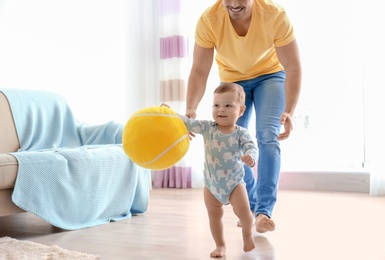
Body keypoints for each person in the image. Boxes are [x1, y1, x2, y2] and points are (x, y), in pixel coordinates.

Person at [185, 0, 302, 233]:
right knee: (232, 141)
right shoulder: (210, 20)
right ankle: (250, 205)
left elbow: (293, 66)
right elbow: (199, 70)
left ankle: (264, 211)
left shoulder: (274, 15)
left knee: (268, 136)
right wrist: (191, 108)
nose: (235, 3)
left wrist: (289, 110)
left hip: (270, 75)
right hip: (232, 80)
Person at [164, 83, 258, 258]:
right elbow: (188, 123)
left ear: (241, 110)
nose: (221, 110)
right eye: (216, 105)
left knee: (245, 214)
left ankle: (247, 234)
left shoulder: (241, 133)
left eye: (228, 105)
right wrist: (169, 113)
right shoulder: (208, 128)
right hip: (211, 184)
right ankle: (220, 245)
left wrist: (250, 157)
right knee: (214, 216)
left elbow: (251, 148)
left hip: (234, 183)